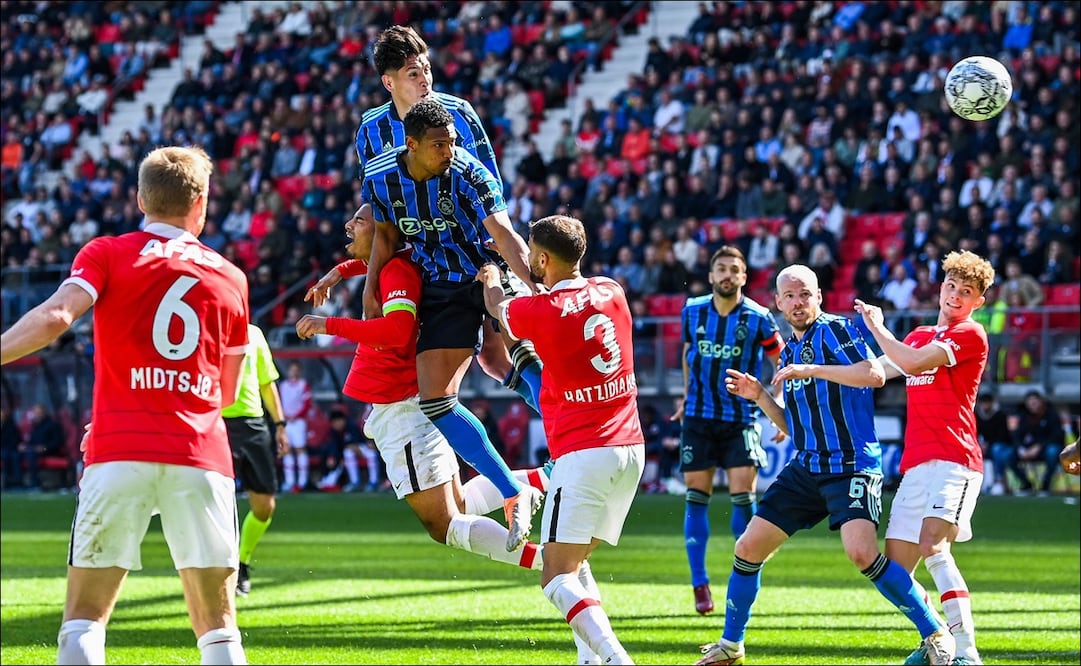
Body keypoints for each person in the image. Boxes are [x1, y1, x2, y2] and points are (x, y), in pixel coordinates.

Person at [0, 146, 249, 664]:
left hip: (118, 450)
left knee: (84, 621)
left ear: (140, 198)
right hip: (200, 456)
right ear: (200, 203)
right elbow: (225, 392)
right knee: (219, 631)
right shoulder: (231, 277)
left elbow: (58, 317)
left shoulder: (107, 252)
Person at [697, 265, 954, 666]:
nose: (798, 303)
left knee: (861, 553)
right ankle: (731, 646)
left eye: (805, 295)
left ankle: (935, 633)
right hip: (808, 465)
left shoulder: (837, 330)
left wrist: (811, 369)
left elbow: (873, 375)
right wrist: (761, 396)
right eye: (790, 297)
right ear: (778, 303)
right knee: (747, 548)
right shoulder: (789, 351)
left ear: (819, 297)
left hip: (851, 463)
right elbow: (796, 428)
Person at [301, 24, 540, 408]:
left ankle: (561, 430)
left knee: (509, 350)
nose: (425, 78)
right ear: (389, 81)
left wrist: (510, 261)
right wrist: (368, 283)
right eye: (414, 73)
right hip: (426, 263)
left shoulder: (459, 114)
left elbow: (491, 193)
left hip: (476, 251)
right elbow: (382, 215)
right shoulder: (371, 130)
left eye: (427, 68)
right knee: (486, 362)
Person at [295, 205, 547, 569]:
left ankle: (547, 560)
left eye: (361, 220)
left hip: (403, 410)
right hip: (406, 403)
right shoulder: (397, 262)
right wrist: (336, 273)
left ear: (385, 233)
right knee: (457, 506)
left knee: (443, 525)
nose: (349, 225)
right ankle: (538, 486)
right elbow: (372, 264)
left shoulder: (397, 270)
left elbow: (396, 331)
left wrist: (328, 325)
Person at [360, 98, 543, 550]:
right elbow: (385, 236)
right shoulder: (381, 177)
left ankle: (572, 439)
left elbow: (503, 233)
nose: (449, 151)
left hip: (489, 270)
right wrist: (370, 289)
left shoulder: (468, 171)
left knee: (520, 357)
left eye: (453, 142)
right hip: (440, 285)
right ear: (412, 144)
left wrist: (535, 286)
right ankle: (512, 489)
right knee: (435, 401)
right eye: (440, 144)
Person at [478, 214, 645, 666]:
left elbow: (499, 307)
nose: (527, 258)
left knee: (554, 576)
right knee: (574, 563)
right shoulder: (612, 290)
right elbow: (561, 297)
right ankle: (589, 659)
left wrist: (493, 275)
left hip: (583, 453)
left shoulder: (541, 311)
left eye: (532, 252)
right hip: (630, 448)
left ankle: (616, 659)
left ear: (544, 257)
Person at [854, 249, 997, 665]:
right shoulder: (917, 335)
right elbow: (875, 372)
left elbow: (913, 361)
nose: (955, 295)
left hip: (955, 459)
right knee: (896, 572)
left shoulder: (971, 334)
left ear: (977, 302)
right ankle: (935, 638)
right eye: (951, 285)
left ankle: (967, 652)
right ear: (941, 288)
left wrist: (878, 328)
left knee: (933, 545)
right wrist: (811, 375)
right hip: (915, 464)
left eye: (966, 291)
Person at [670, 246, 784, 615]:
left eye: (735, 269)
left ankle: (744, 578)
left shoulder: (759, 317)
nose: (727, 275)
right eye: (721, 268)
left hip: (742, 418)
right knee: (696, 497)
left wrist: (776, 402)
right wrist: (686, 397)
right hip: (699, 417)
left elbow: (782, 360)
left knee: (742, 497)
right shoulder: (692, 310)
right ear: (711, 275)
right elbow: (689, 354)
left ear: (744, 277)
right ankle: (699, 583)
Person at [221, 323, 289, 598]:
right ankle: (219, 570)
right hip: (217, 422)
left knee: (264, 506)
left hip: (253, 424)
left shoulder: (255, 333)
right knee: (217, 503)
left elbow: (266, 382)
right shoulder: (205, 327)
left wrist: (280, 424)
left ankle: (242, 562)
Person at [1002, 389, 1065, 494]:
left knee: (1053, 452)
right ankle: (1026, 484)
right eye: (1030, 402)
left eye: (1035, 401)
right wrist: (1020, 448)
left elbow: (1057, 436)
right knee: (1007, 455)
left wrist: (1039, 446)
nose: (1033, 404)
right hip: (1027, 449)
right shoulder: (1023, 416)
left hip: (1045, 448)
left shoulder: (1051, 415)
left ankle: (1045, 484)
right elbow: (1017, 435)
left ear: (1041, 401)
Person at [278, 360, 311, 493]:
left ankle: (303, 481)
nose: (294, 372)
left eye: (296, 369)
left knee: (300, 449)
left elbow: (307, 404)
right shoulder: (283, 386)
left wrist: (296, 416)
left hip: (298, 422)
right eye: (292, 369)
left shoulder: (303, 385)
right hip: (286, 422)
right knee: (287, 449)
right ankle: (289, 481)